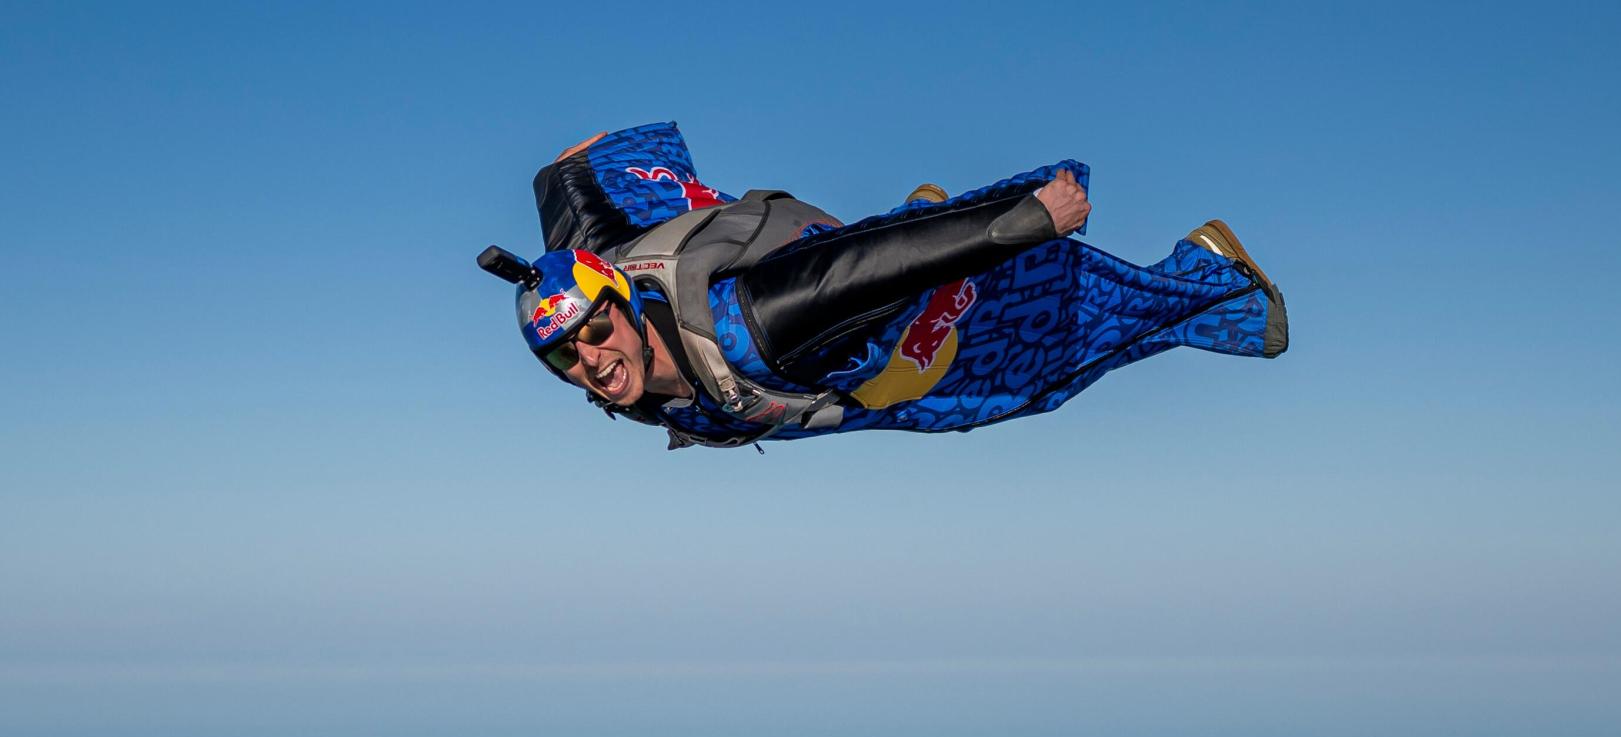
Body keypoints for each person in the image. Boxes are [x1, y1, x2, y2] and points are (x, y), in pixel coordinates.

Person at [478, 122, 1287, 449]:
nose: (590, 359)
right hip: (819, 340)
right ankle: (915, 215)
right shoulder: (593, 273)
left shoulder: (747, 330)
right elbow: (577, 173)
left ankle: (1209, 277)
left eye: (593, 332)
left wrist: (1024, 221)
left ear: (619, 302)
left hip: (867, 315)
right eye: (564, 358)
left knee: (1020, 374)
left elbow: (863, 271)